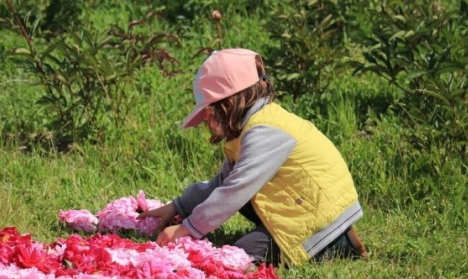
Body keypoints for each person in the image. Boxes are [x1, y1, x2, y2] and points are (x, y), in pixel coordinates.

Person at [137, 48, 368, 267]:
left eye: (208, 115)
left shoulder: (266, 131)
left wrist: (186, 229)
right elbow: (223, 183)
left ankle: (338, 242)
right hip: (300, 203)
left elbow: (235, 190)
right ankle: (315, 235)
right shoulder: (250, 128)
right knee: (238, 245)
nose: (206, 123)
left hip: (318, 216)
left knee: (241, 252)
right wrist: (178, 206)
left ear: (227, 104)